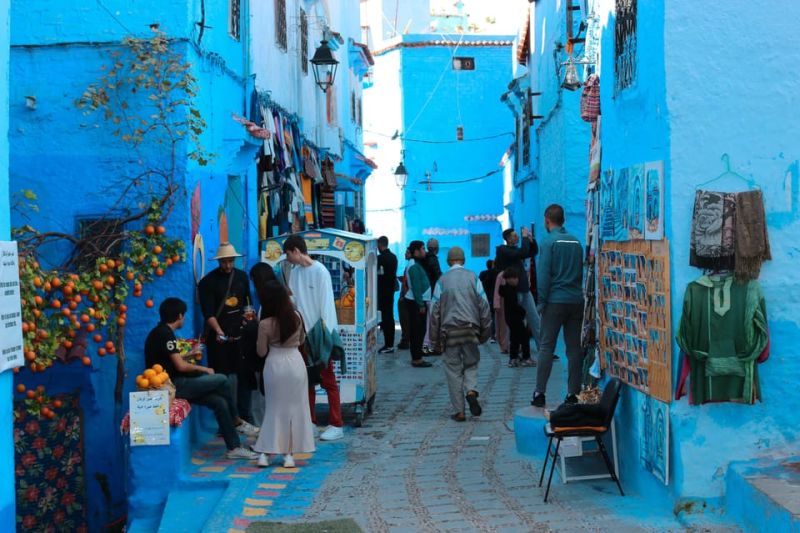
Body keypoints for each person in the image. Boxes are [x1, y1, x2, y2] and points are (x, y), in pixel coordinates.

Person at [144, 297, 259, 460]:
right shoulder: (166, 335)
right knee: (221, 379)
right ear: (179, 316)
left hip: (174, 383)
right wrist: (204, 368)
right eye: (183, 315)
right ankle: (237, 421)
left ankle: (234, 448)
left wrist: (189, 354)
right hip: (174, 386)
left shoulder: (160, 332)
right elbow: (180, 367)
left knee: (220, 403)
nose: (183, 318)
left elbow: (171, 359)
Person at [283, 235, 346, 441]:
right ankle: (309, 422)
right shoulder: (294, 272)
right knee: (306, 381)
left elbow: (327, 306)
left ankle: (336, 423)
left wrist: (326, 338)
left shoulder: (320, 272)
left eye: (287, 253)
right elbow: (292, 301)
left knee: (328, 381)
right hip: (301, 335)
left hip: (319, 334)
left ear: (295, 250)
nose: (287, 258)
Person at [252, 281, 316, 468]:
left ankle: (264, 453)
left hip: (274, 365)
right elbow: (302, 340)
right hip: (295, 364)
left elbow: (261, 352)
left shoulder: (264, 324)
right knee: (295, 410)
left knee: (273, 409)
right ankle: (289, 455)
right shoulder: (297, 317)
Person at [429, 247, 492, 421]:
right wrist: (485, 332)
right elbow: (484, 305)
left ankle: (459, 411)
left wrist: (434, 340)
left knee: (453, 370)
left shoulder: (442, 280)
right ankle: (471, 391)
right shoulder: (473, 277)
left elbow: (434, 311)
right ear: (463, 260)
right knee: (471, 364)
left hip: (450, 332)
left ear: (448, 262)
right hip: (470, 330)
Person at [532, 204, 585, 408]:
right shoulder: (575, 242)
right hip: (575, 300)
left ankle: (539, 393)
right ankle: (573, 393)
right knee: (574, 349)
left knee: (546, 347)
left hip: (554, 301)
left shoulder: (548, 242)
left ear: (547, 220)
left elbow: (543, 275)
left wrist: (541, 302)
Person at [197, 242, 254, 423]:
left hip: (240, 336)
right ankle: (227, 420)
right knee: (222, 378)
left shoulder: (242, 277)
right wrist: (219, 331)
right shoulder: (208, 282)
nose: (228, 266)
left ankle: (244, 416)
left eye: (230, 261)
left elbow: (247, 303)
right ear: (219, 261)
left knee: (244, 375)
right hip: (219, 338)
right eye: (224, 262)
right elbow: (208, 313)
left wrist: (248, 318)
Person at [242, 262, 278, 426]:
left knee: (260, 396)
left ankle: (262, 429)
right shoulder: (280, 297)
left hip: (266, 356)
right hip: (279, 357)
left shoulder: (268, 300)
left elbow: (264, 341)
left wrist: (256, 326)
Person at [495, 228, 540, 354]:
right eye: (514, 236)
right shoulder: (504, 251)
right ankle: (512, 348)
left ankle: (543, 348)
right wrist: (525, 237)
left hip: (524, 289)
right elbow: (523, 252)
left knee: (534, 319)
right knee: (515, 321)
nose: (517, 238)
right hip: (513, 292)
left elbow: (531, 252)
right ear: (508, 239)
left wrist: (531, 241)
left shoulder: (515, 250)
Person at [403, 240, 433, 368]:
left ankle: (418, 355)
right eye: (422, 248)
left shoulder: (416, 264)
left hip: (417, 301)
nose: (424, 251)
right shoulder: (414, 266)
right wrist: (420, 304)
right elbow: (416, 287)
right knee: (417, 331)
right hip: (416, 302)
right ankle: (417, 358)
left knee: (419, 330)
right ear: (416, 251)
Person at [499, 268, 533, 367]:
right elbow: (514, 305)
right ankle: (526, 358)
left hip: (510, 318)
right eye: (515, 278)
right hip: (516, 318)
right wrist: (523, 311)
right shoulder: (511, 291)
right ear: (509, 279)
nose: (516, 280)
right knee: (524, 337)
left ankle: (513, 358)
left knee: (514, 338)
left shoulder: (506, 290)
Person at [376, 236, 398, 354]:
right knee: (389, 316)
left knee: (386, 318)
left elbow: (378, 274)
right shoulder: (393, 257)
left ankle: (389, 345)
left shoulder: (380, 258)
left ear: (380, 245)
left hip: (382, 292)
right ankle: (390, 343)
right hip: (390, 292)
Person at [422, 238, 443, 354]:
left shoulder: (423, 259)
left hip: (425, 293)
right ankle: (428, 344)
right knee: (431, 320)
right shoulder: (433, 260)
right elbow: (438, 275)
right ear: (437, 249)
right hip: (432, 294)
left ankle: (427, 344)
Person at [396, 247, 413, 350]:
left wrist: (403, 295)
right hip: (406, 296)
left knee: (405, 320)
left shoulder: (410, 265)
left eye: (407, 253)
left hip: (406, 296)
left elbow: (407, 283)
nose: (405, 254)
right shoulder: (410, 265)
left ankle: (405, 340)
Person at [478, 260, 498, 340]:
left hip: (486, 296)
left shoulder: (483, 273)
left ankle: (488, 334)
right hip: (493, 296)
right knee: (494, 316)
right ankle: (493, 335)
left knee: (486, 316)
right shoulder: (496, 273)